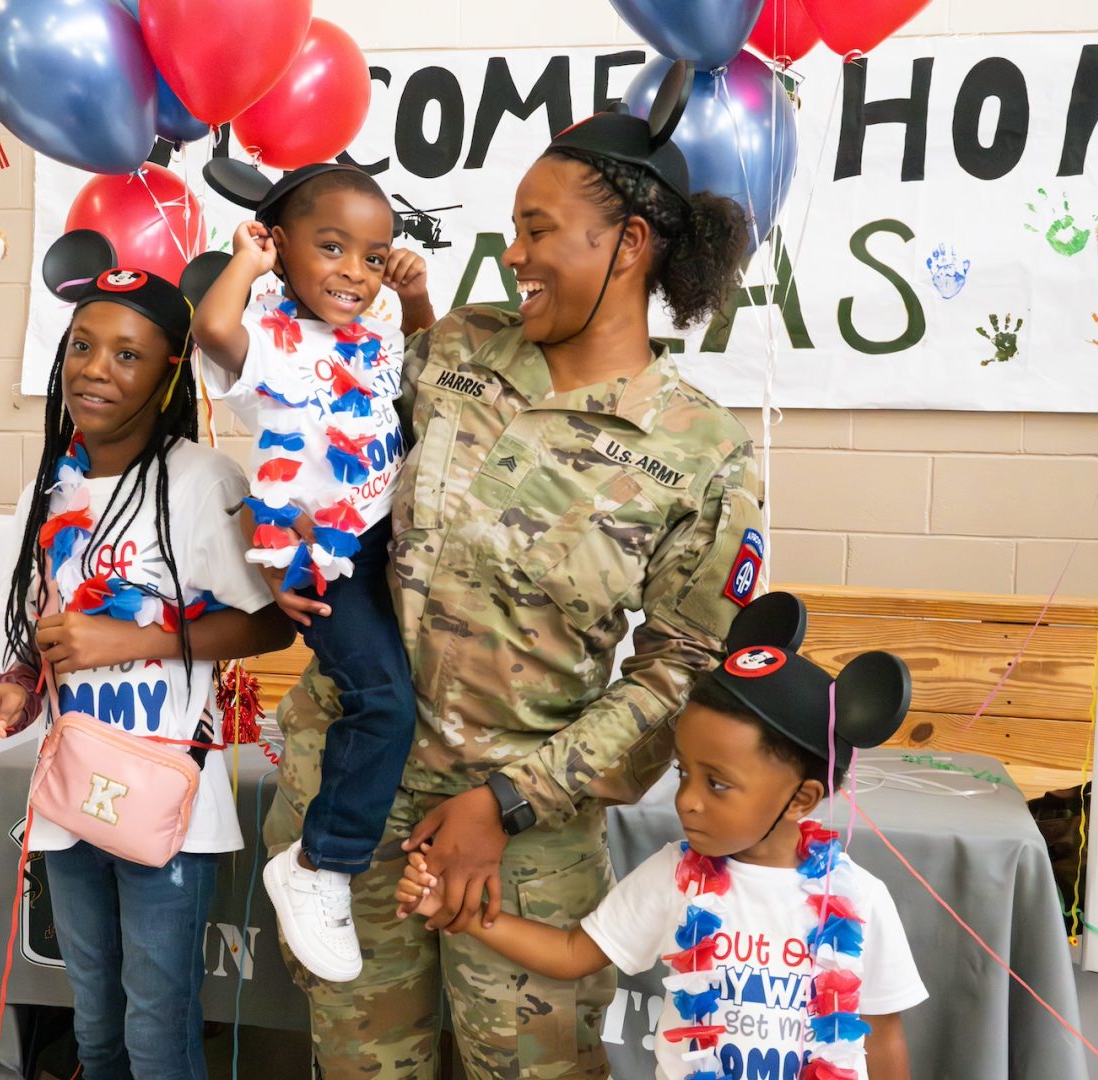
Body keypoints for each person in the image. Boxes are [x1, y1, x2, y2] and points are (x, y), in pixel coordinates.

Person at [262, 62, 765, 1077]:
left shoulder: (698, 447)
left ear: (627, 244)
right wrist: (289, 550)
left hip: (523, 842)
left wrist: (511, 802)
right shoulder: (451, 349)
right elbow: (329, 449)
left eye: (538, 228)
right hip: (350, 810)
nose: (514, 251)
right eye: (514, 228)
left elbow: (683, 665)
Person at [0, 241, 293, 1080]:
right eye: (81, 345)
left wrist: (132, 639)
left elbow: (272, 626)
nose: (95, 370)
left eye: (128, 354)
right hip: (70, 796)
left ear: (171, 374)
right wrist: (7, 693)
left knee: (156, 1032)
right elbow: (47, 643)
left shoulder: (201, 481)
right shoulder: (56, 486)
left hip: (166, 803)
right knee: (94, 1022)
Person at [397, 592, 928, 1080]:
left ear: (802, 799)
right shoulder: (678, 876)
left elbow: (882, 1038)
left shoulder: (860, 901)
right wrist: (461, 913)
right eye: (683, 773)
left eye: (717, 783)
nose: (687, 800)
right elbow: (571, 952)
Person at [192, 163, 436, 982]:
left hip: (387, 537)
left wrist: (414, 297)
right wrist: (244, 261)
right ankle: (318, 866)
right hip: (321, 552)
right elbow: (214, 332)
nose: (355, 272)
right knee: (384, 703)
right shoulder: (268, 338)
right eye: (331, 248)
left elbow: (424, 385)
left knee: (411, 692)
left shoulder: (374, 335)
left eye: (373, 256)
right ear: (280, 244)